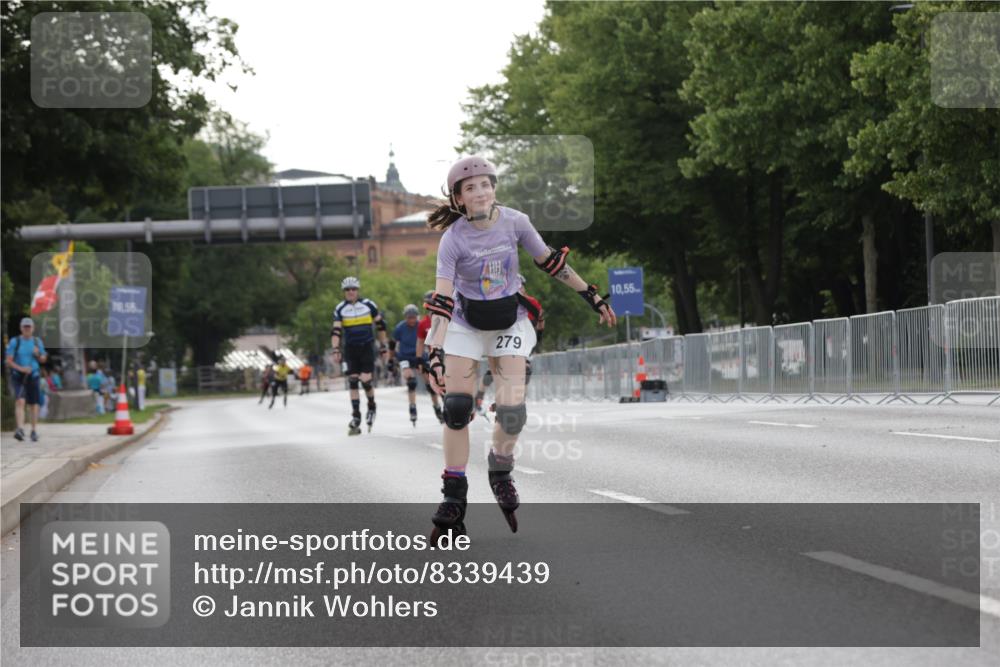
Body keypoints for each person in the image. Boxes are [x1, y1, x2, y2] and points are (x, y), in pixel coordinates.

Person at [423, 156, 616, 541]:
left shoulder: (516, 222)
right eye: (471, 188)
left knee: (512, 410)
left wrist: (590, 296)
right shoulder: (453, 239)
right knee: (457, 407)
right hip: (465, 322)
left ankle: (500, 468)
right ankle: (453, 495)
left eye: (486, 184)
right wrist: (434, 351)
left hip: (508, 318)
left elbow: (551, 263)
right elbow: (443, 300)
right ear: (459, 199)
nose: (481, 192)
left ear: (494, 188)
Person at [475, 274, 545, 416]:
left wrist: (538, 338)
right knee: (494, 371)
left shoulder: (530, 302)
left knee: (525, 370)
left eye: (522, 286)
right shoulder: (500, 301)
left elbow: (541, 318)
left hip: (521, 339)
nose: (520, 289)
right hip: (499, 338)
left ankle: (519, 403)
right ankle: (479, 397)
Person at [331, 276, 389, 435]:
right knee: (352, 381)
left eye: (353, 289)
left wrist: (383, 345)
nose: (350, 292)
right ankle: (356, 416)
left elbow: (381, 326)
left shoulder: (368, 305)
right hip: (350, 349)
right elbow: (336, 331)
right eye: (347, 290)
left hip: (367, 347)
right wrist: (335, 349)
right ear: (344, 292)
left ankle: (371, 405)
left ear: (358, 290)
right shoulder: (340, 308)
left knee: (366, 380)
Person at [5, 318, 48, 441]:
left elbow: (43, 359)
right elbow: (9, 361)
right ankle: (20, 429)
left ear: (33, 328)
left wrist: (38, 354)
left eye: (29, 327)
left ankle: (34, 430)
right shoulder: (15, 341)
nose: (27, 329)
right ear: (21, 328)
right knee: (20, 401)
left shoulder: (36, 341)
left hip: (33, 376)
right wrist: (21, 369)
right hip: (19, 376)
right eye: (25, 327)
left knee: (34, 404)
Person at [415, 290, 445, 424]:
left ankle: (447, 407)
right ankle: (437, 408)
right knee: (431, 385)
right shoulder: (423, 323)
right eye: (428, 304)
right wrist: (419, 359)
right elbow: (420, 342)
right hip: (431, 356)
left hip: (445, 353)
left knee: (444, 382)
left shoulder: (445, 318)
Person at [392, 303, 424, 426]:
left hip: (418, 355)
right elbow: (393, 345)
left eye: (413, 317)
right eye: (409, 317)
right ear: (405, 317)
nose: (411, 320)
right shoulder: (400, 328)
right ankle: (412, 407)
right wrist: (392, 360)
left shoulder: (421, 326)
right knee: (411, 382)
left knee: (431, 382)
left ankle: (438, 407)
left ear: (417, 316)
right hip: (404, 356)